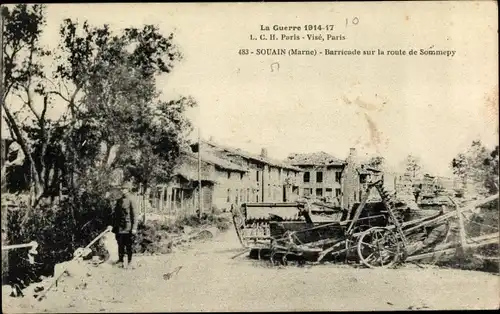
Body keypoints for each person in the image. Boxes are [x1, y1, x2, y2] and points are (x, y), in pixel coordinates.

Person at [112, 181, 139, 269]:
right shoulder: (119, 200)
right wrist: (114, 225)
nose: (123, 190)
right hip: (120, 226)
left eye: (124, 188)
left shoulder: (132, 199)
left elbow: (135, 215)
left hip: (128, 226)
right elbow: (116, 215)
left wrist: (134, 227)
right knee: (120, 244)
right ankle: (121, 261)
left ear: (128, 189)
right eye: (122, 189)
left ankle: (130, 261)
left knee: (128, 245)